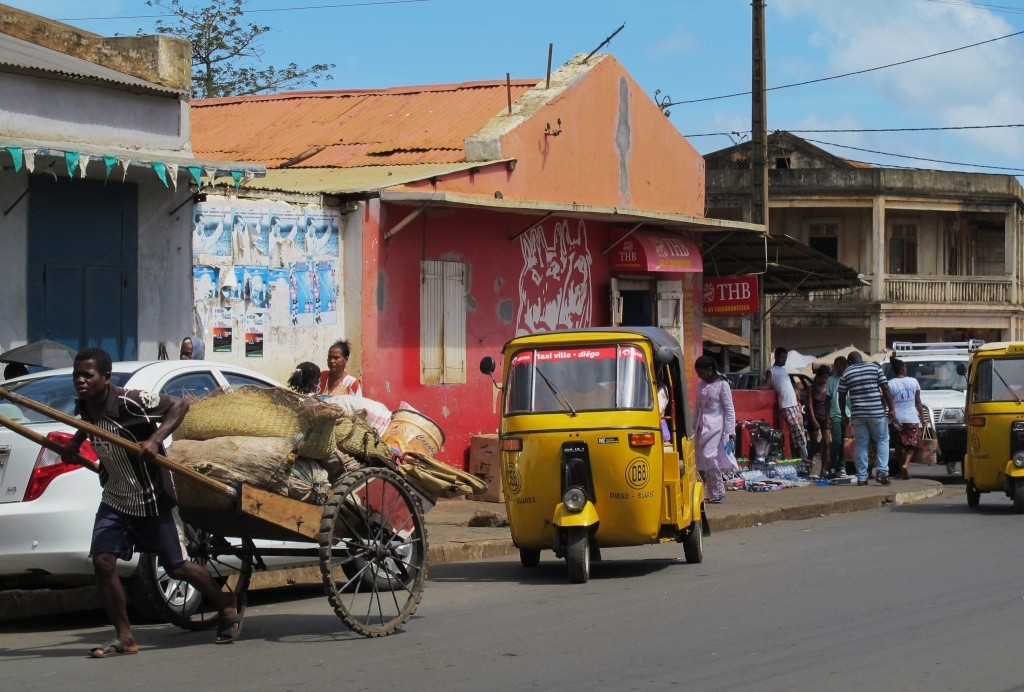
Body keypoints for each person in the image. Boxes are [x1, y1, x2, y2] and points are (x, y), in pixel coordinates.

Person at [59, 348, 241, 656]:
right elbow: (87, 423)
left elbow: (180, 405)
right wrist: (74, 444)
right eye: (77, 374)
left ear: (105, 377)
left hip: (153, 497)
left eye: (87, 375)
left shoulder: (130, 401)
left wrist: (155, 440)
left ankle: (225, 602)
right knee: (103, 563)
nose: (80, 380)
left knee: (178, 566)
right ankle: (125, 637)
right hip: (116, 496)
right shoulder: (86, 404)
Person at [839, 351, 897, 486]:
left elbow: (841, 395)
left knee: (861, 444)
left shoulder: (846, 373)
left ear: (849, 362)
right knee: (882, 440)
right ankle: (882, 471)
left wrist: (843, 414)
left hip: (858, 415)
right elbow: (885, 388)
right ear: (862, 358)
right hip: (876, 413)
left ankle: (862, 477)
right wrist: (891, 409)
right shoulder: (874, 368)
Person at [694, 356, 737, 504]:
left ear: (710, 370)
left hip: (717, 427)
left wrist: (730, 431)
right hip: (702, 426)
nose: (699, 376)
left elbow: (729, 409)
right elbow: (697, 407)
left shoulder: (722, 384)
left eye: (701, 372)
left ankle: (719, 490)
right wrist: (694, 425)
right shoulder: (700, 384)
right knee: (704, 459)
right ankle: (712, 492)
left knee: (709, 456)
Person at [761, 346, 808, 462]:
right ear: (776, 356)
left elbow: (790, 385)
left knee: (798, 433)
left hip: (794, 404)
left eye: (785, 357)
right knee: (797, 432)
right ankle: (805, 458)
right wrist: (758, 388)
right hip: (787, 405)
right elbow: (767, 385)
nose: (784, 360)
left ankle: (800, 460)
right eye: (783, 357)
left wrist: (796, 389)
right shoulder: (771, 370)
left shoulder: (783, 370)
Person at [888, 357, 927, 480]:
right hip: (911, 418)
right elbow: (918, 402)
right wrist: (923, 418)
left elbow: (889, 402)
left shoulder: (890, 383)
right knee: (912, 446)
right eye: (905, 367)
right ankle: (906, 465)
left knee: (898, 445)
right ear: (902, 368)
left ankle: (901, 470)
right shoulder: (914, 381)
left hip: (897, 419)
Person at [827, 356, 851, 477]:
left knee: (843, 441)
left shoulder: (849, 378)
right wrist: (827, 416)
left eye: (838, 366)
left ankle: (840, 466)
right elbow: (828, 398)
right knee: (836, 440)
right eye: (835, 367)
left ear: (844, 366)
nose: (836, 369)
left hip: (848, 414)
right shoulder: (831, 380)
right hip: (835, 413)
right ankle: (832, 465)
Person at [807, 365, 831, 477]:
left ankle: (823, 469)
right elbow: (810, 405)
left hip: (824, 417)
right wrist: (813, 419)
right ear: (818, 376)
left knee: (826, 442)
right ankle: (808, 467)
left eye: (826, 378)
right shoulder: (811, 388)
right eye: (823, 378)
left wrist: (828, 418)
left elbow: (829, 404)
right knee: (813, 445)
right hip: (814, 416)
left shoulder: (828, 388)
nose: (824, 380)